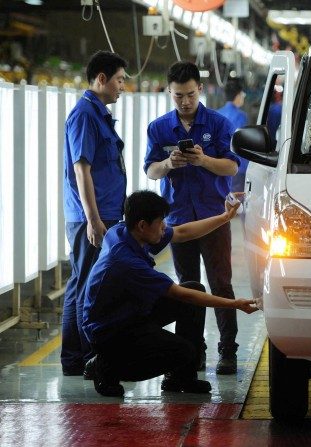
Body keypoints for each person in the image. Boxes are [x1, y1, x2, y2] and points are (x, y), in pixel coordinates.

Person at [82, 190, 258, 397]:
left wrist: (225, 217)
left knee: (194, 287)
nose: (165, 226)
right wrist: (235, 304)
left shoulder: (124, 231)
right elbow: (180, 294)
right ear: (142, 225)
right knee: (182, 351)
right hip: (109, 331)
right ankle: (106, 367)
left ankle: (182, 378)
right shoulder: (125, 261)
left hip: (129, 311)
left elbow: (182, 232)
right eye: (161, 222)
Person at [144, 61, 242, 375]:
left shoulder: (220, 123)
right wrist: (169, 164)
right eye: (177, 96)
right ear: (169, 93)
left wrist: (204, 160)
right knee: (188, 287)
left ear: (200, 88)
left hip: (214, 217)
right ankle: (193, 352)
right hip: (178, 222)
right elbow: (150, 171)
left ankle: (228, 350)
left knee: (221, 285)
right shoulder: (159, 129)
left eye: (189, 94)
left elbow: (232, 167)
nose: (184, 101)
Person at [61, 50, 128, 377]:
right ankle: (80, 358)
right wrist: (93, 219)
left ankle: (78, 358)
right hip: (92, 217)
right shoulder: (85, 115)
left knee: (85, 283)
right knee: (86, 285)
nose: (122, 87)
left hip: (103, 214)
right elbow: (81, 170)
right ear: (101, 79)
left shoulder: (97, 113)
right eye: (119, 80)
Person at [217, 78, 248, 193]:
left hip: (219, 165)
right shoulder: (241, 116)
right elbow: (241, 142)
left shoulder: (217, 114)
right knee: (237, 202)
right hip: (237, 167)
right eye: (243, 94)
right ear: (238, 95)